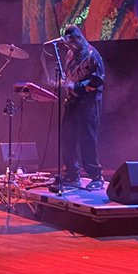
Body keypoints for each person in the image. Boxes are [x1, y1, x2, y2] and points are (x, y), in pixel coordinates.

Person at [57, 24, 106, 189]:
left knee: (87, 138)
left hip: (89, 101)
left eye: (70, 43)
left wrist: (76, 87)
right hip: (72, 101)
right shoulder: (70, 55)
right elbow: (69, 75)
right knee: (67, 137)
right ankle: (72, 174)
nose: (68, 47)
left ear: (78, 39)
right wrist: (64, 84)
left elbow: (98, 80)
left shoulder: (92, 55)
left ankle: (96, 177)